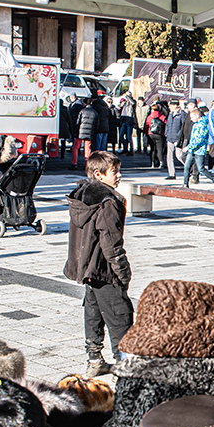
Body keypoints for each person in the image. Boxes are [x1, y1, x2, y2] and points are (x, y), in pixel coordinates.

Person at [64, 150, 133, 378]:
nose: (119, 175)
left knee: (93, 313)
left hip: (87, 269)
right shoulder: (108, 201)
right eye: (114, 171)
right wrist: (122, 271)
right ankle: (126, 368)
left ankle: (95, 360)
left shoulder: (82, 195)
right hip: (104, 270)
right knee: (119, 316)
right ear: (99, 174)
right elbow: (111, 242)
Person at [183, 106, 214, 190]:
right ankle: (185, 184)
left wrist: (189, 146)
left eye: (192, 117)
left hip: (199, 151)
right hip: (192, 150)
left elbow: (199, 139)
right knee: (186, 166)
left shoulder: (203, 125)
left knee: (201, 169)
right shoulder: (195, 125)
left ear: (198, 116)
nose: (191, 119)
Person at [165, 100, 187, 180]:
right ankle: (171, 174)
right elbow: (168, 124)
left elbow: (183, 127)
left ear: (175, 105)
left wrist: (180, 136)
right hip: (170, 137)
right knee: (169, 157)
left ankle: (190, 169)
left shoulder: (182, 114)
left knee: (179, 156)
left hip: (177, 139)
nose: (169, 107)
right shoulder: (170, 114)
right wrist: (166, 133)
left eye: (170, 105)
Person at [180, 101, 199, 184]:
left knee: (193, 159)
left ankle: (194, 175)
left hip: (192, 139)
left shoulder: (197, 113)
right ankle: (192, 172)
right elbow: (184, 125)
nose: (187, 107)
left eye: (188, 105)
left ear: (192, 105)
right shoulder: (188, 113)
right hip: (186, 138)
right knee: (183, 156)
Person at [76, 96, 99, 166]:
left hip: (81, 132)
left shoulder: (82, 111)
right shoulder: (95, 112)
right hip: (90, 132)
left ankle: (74, 163)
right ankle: (86, 163)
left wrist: (76, 130)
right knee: (88, 148)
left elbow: (78, 122)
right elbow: (97, 124)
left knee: (75, 147)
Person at [146, 100, 167, 169]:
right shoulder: (162, 116)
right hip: (160, 134)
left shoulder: (149, 116)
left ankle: (152, 163)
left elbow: (146, 125)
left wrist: (146, 133)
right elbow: (166, 124)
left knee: (152, 149)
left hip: (151, 134)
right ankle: (161, 162)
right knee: (159, 149)